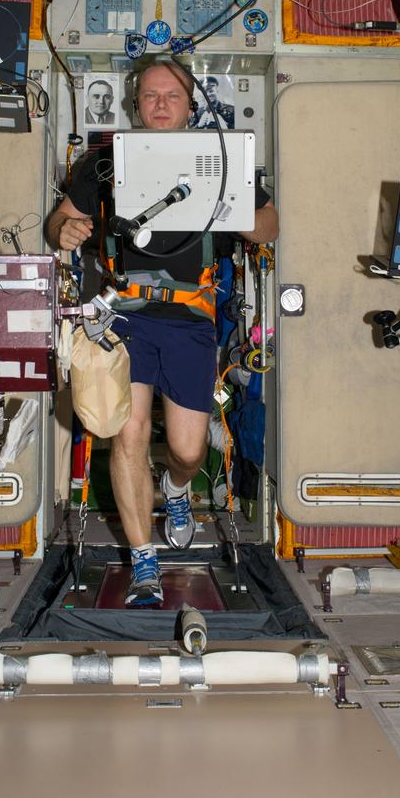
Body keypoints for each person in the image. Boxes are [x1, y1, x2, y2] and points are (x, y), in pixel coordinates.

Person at [46, 60, 279, 607]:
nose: (159, 104)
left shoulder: (223, 161)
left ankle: (176, 488)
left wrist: (240, 214)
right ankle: (143, 562)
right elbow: (57, 222)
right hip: (123, 315)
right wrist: (69, 228)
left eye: (170, 95)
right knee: (127, 436)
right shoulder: (102, 165)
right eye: (148, 95)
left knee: (188, 448)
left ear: (189, 103)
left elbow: (270, 226)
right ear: (135, 105)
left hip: (190, 318)